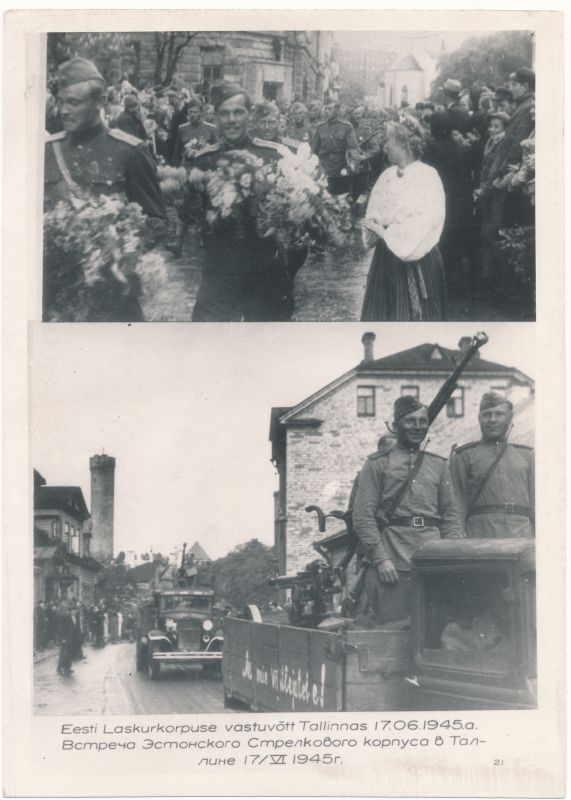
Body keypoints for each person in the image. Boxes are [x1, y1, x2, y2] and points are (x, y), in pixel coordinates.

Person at [44, 57, 168, 322]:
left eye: (73, 102)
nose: (63, 111)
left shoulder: (130, 151)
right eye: (60, 102)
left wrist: (114, 251)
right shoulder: (45, 151)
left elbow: (157, 221)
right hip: (55, 296)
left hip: (112, 298)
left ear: (99, 102)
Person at [182, 81, 294, 322]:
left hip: (266, 269)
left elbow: (292, 218)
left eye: (238, 112)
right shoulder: (204, 160)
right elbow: (189, 217)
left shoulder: (273, 155)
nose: (231, 119)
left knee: (269, 346)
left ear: (249, 115)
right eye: (224, 113)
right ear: (216, 117)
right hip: (221, 269)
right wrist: (190, 193)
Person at [352, 396, 464, 624]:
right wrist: (381, 559)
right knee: (392, 634)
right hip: (392, 565)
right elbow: (362, 516)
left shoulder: (439, 465)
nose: (417, 427)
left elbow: (451, 515)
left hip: (432, 563)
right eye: (410, 421)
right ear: (396, 425)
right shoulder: (377, 464)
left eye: (423, 421)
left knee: (436, 632)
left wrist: (452, 557)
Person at [360, 117, 447, 321]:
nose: (385, 146)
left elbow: (424, 221)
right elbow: (375, 209)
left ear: (405, 143)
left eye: (389, 140)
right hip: (386, 259)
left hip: (416, 257)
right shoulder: (388, 175)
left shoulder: (427, 175)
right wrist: (375, 224)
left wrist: (384, 231)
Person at [449, 392, 534, 539]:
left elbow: (537, 505)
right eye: (487, 415)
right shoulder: (463, 457)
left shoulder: (527, 456)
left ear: (510, 418)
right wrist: (456, 541)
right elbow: (456, 505)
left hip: (520, 535)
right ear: (479, 418)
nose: (492, 420)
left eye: (499, 414)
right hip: (480, 535)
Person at [424, 110, 473, 294]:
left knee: (438, 238)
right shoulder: (460, 147)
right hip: (458, 200)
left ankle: (435, 280)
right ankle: (454, 281)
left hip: (437, 198)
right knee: (454, 239)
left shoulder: (430, 147)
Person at [473, 112, 511, 284]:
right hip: (485, 192)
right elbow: (484, 167)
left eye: (497, 126)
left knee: (491, 232)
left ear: (504, 128)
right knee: (484, 232)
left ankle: (497, 277)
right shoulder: (490, 142)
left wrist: (484, 189)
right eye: (491, 126)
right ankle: (486, 274)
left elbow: (495, 170)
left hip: (495, 194)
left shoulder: (504, 143)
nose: (492, 129)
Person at [311, 101, 365, 195]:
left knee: (340, 199)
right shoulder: (320, 127)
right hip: (324, 169)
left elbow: (353, 149)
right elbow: (314, 151)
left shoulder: (346, 127)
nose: (327, 111)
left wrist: (352, 165)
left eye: (330, 109)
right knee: (322, 197)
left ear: (337, 110)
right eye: (326, 109)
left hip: (340, 169)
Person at [172, 96, 218, 166]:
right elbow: (176, 155)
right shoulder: (182, 129)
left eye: (195, 112)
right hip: (187, 167)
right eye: (190, 112)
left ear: (201, 113)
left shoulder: (211, 129)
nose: (192, 115)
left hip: (205, 169)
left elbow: (217, 153)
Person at [56, 600, 75, 676]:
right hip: (65, 638)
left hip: (69, 637)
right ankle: (61, 668)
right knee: (64, 653)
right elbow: (61, 628)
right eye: (65, 605)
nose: (66, 606)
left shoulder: (68, 615)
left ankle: (67, 667)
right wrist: (63, 638)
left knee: (68, 653)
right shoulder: (63, 615)